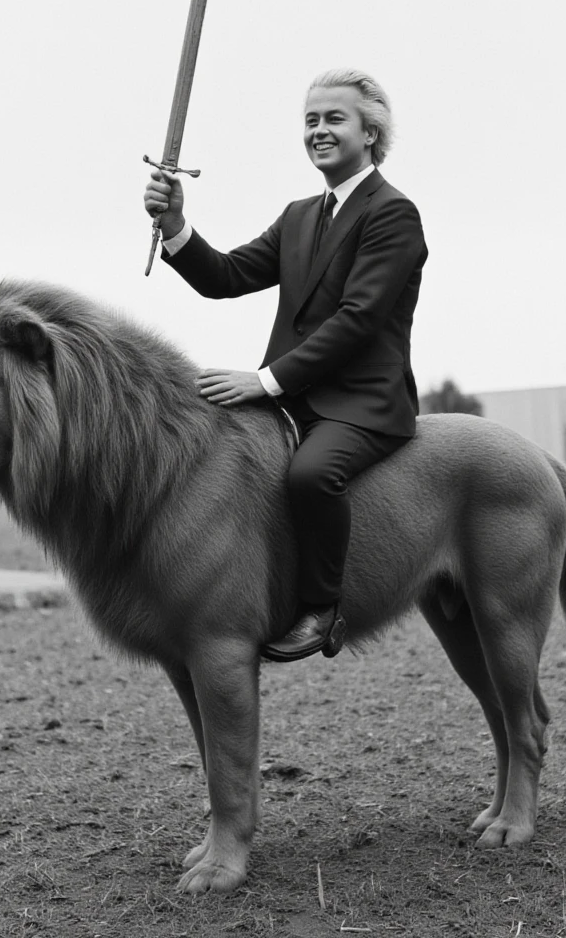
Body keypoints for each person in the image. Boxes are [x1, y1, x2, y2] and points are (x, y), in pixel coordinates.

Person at [143, 68, 427, 662]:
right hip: (292, 397)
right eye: (310, 121)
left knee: (310, 475)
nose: (318, 131)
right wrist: (174, 226)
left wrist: (265, 380)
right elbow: (225, 277)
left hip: (362, 404)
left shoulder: (394, 214)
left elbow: (358, 321)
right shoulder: (299, 215)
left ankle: (322, 609)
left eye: (333, 119)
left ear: (371, 133)